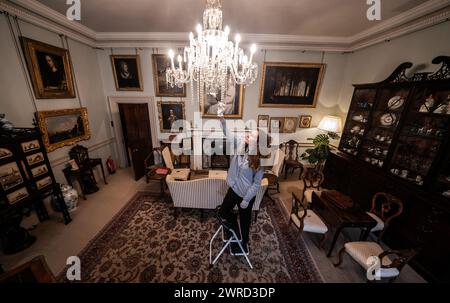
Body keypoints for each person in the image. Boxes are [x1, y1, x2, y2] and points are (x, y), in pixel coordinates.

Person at [216, 113, 264, 254]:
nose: (247, 135)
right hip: (234, 189)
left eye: (252, 136)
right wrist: (221, 118)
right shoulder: (241, 144)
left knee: (245, 221)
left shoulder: (260, 162)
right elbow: (228, 133)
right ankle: (233, 227)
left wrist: (246, 200)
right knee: (223, 212)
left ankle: (244, 241)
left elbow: (256, 184)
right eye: (249, 133)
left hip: (245, 196)